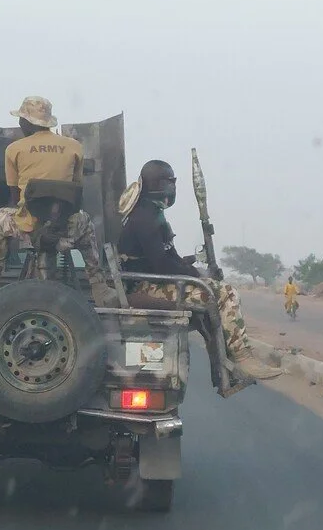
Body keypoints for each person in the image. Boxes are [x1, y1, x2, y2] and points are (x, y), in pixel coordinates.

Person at [117, 160, 281, 382]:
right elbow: (163, 267)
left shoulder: (150, 213)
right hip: (146, 287)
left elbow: (169, 259)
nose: (173, 188)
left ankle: (229, 364)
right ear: (157, 184)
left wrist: (199, 272)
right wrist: (197, 277)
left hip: (151, 282)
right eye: (170, 182)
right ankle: (242, 358)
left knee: (216, 290)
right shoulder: (145, 218)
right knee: (226, 294)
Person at [0, 96, 117, 306]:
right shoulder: (74, 147)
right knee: (87, 224)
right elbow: (75, 192)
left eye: (21, 119)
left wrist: (34, 222)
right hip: (66, 226)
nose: (20, 123)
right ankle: (100, 286)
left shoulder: (14, 149)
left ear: (28, 122)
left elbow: (14, 195)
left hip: (29, 227)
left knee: (0, 217)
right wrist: (56, 220)